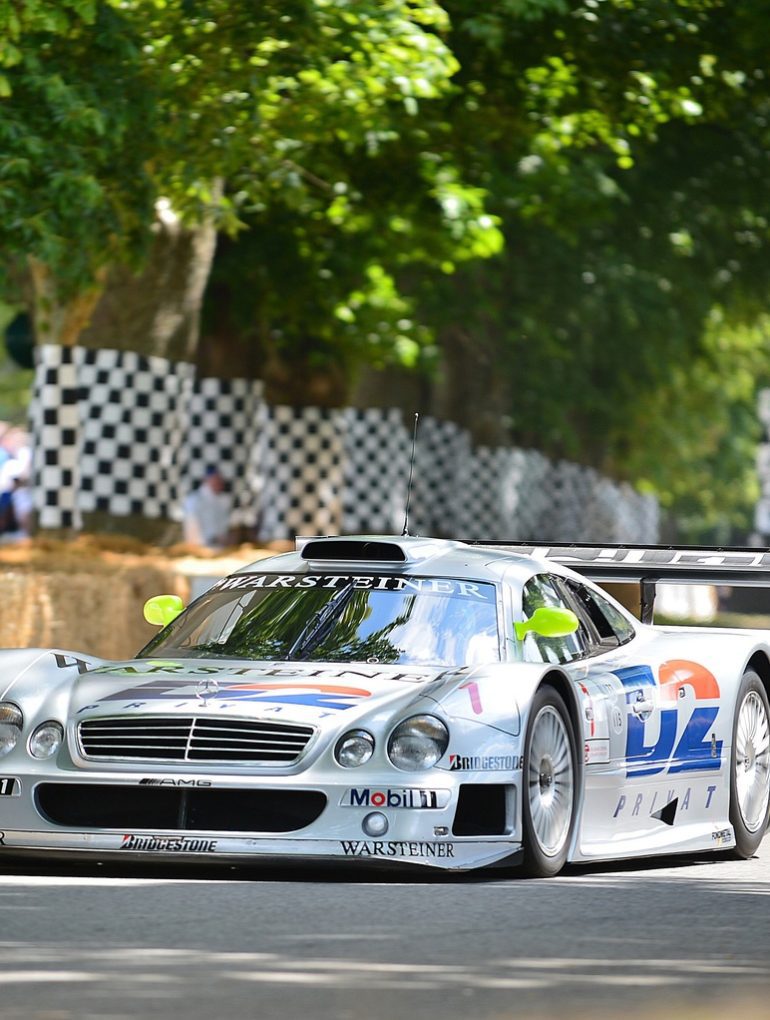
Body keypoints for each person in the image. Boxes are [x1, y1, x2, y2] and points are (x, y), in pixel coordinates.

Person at [182, 467, 231, 550]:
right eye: (215, 479)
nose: (219, 482)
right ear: (206, 480)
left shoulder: (223, 500)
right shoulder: (193, 500)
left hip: (221, 547)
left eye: (220, 479)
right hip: (202, 549)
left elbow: (223, 528)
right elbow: (192, 532)